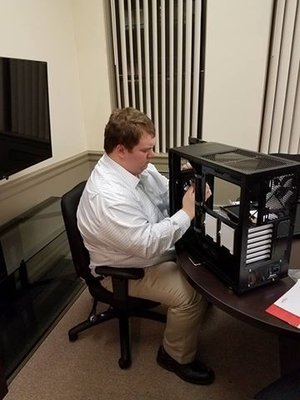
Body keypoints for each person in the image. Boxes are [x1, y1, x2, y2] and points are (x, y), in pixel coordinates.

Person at [77, 107, 215, 385]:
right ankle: (174, 356)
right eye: (146, 150)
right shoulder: (108, 196)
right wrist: (186, 213)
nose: (152, 156)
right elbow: (148, 245)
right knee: (191, 295)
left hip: (143, 251)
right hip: (123, 268)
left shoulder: (137, 166)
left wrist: (185, 183)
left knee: (208, 264)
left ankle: (191, 311)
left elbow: (165, 194)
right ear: (120, 150)